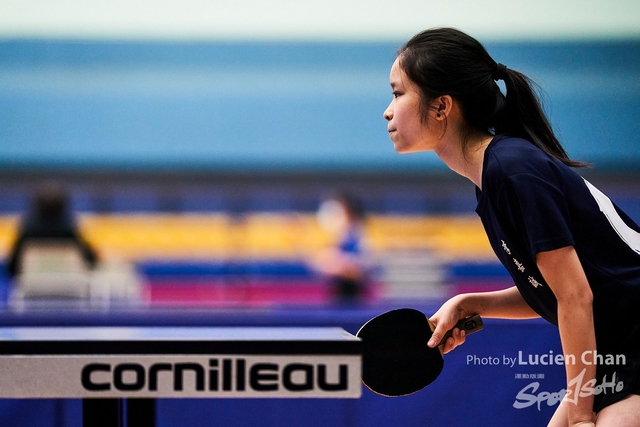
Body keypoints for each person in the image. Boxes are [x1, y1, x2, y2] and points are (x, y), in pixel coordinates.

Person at [383, 28, 640, 427]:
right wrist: (471, 303)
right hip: (614, 351)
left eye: (398, 93)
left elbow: (575, 296)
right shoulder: (492, 183)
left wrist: (581, 410)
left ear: (441, 107)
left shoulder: (514, 170)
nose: (388, 110)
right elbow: (555, 291)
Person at [6, 182, 98, 279]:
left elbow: (12, 267)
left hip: (32, 288)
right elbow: (92, 261)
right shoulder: (69, 234)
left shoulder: (28, 234)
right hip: (68, 287)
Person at [313, 192, 369, 303]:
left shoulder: (358, 236)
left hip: (353, 295)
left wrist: (339, 266)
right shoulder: (339, 238)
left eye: (339, 211)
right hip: (338, 292)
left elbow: (359, 269)